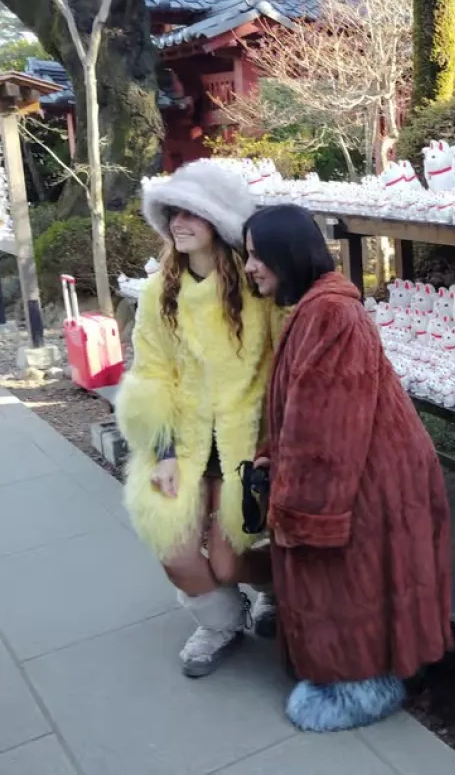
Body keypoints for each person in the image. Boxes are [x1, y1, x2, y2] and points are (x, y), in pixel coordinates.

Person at [244, 204, 454, 732]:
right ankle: (355, 675)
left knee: (347, 583)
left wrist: (300, 514)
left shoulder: (332, 314)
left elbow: (326, 433)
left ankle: (360, 685)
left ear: (285, 253)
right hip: (369, 472)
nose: (249, 267)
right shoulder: (320, 309)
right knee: (358, 582)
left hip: (365, 479)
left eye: (255, 255)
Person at [116, 160, 279, 678]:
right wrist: (161, 453)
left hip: (244, 447)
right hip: (181, 446)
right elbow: (150, 374)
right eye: (173, 213)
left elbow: (283, 365)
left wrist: (274, 446)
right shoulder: (159, 290)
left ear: (220, 223)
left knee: (231, 562)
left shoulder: (256, 290)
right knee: (176, 550)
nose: (178, 223)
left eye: (193, 214)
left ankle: (277, 587)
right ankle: (222, 621)